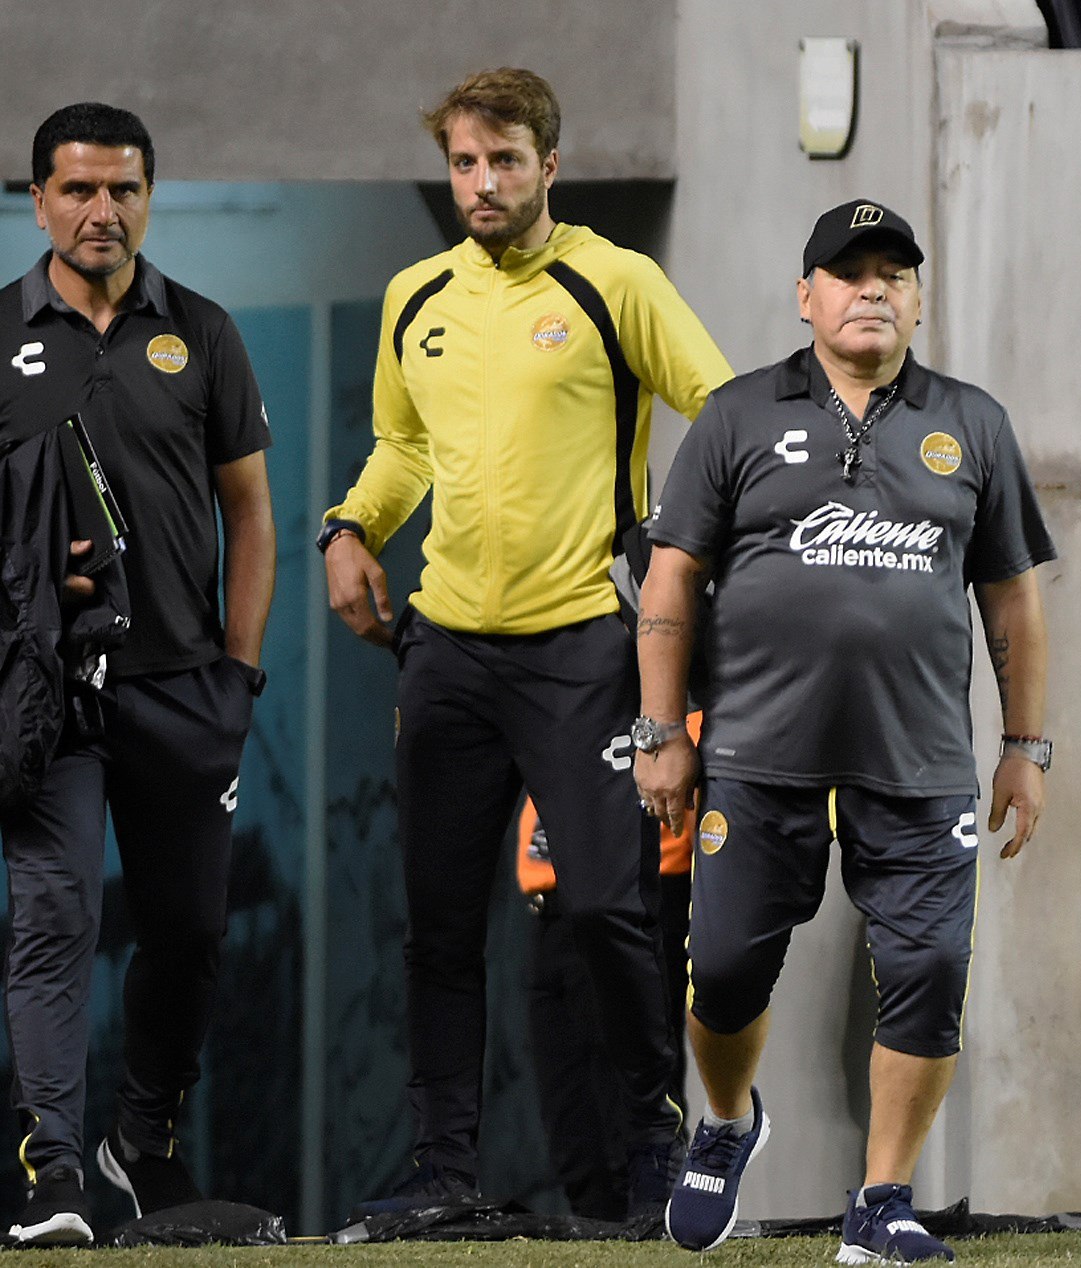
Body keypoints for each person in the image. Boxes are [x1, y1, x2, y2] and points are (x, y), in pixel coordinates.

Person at [319, 67, 732, 1218]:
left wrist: (675, 558)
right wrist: (350, 524)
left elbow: (726, 406)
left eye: (505, 161)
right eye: (464, 163)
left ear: (550, 165)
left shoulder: (615, 281)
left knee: (605, 905)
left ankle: (654, 1135)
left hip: (584, 648)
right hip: (446, 647)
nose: (483, 183)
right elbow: (402, 448)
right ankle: (443, 1167)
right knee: (441, 924)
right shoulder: (419, 295)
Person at [635, 199, 1055, 1264]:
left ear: (918, 297)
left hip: (917, 767)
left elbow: (1011, 598)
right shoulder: (734, 416)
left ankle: (881, 1197)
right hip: (754, 757)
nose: (872, 288)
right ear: (806, 295)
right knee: (724, 968)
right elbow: (671, 579)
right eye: (849, 271)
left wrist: (1025, 743)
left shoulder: (975, 422)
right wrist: (658, 728)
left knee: (930, 974)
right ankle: (727, 1120)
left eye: (893, 273)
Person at [0, 102, 275, 1244]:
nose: (101, 210)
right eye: (77, 189)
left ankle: (139, 1139)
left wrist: (241, 674)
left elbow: (251, 514)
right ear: (37, 198)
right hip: (48, 693)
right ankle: (51, 1169)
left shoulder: (200, 331)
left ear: (148, 197)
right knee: (53, 919)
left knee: (191, 930)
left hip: (181, 685)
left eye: (122, 190)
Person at [515, 709, 698, 1221]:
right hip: (551, 903)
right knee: (575, 1130)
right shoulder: (555, 672)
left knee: (633, 1121)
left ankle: (648, 1227)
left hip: (640, 893)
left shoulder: (669, 669)